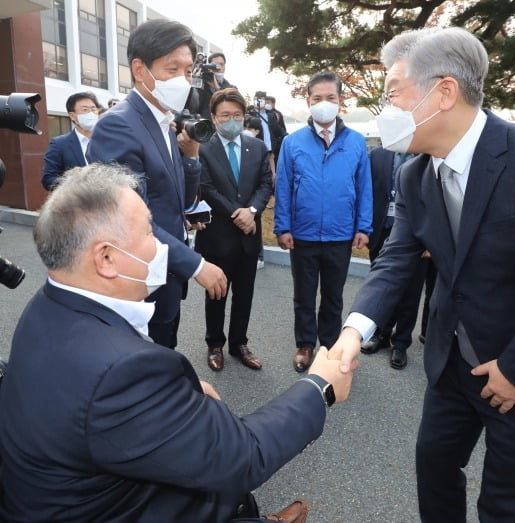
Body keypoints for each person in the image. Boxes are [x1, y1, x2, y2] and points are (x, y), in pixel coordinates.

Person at [328, 27, 515, 522]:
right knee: (435, 472)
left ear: (444, 91)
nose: (387, 108)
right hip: (453, 366)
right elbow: (397, 259)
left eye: (393, 91)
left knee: (511, 507)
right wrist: (352, 333)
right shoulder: (414, 173)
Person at [0, 164, 355, 523]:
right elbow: (243, 456)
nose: (162, 244)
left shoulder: (49, 304)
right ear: (106, 258)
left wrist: (165, 398)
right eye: (149, 231)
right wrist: (320, 386)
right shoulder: (121, 371)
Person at [87, 19, 227, 349]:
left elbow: (174, 195)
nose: (182, 79)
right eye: (171, 68)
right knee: (142, 366)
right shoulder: (118, 127)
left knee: (165, 348)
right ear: (140, 69)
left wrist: (191, 158)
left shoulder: (163, 122)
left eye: (187, 70)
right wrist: (196, 264)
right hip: (138, 280)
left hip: (166, 274)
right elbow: (129, 222)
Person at [274, 71, 373, 372]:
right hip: (302, 234)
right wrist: (283, 227)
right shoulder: (293, 143)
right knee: (303, 295)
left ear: (341, 101)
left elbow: (364, 187)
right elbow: (284, 187)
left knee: (333, 296)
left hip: (340, 234)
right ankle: (305, 344)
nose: (324, 103)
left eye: (331, 97)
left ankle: (329, 346)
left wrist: (363, 227)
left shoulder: (356, 142)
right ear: (308, 101)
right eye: (317, 98)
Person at [195, 88, 272, 372]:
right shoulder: (203, 147)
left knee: (245, 293)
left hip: (248, 235)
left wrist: (251, 211)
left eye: (237, 115)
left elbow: (266, 184)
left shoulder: (257, 147)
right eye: (225, 115)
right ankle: (214, 344)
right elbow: (206, 187)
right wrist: (234, 212)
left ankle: (239, 343)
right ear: (214, 118)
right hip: (217, 237)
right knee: (216, 292)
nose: (232, 120)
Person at [363, 146, 436, 369]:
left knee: (411, 292)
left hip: (417, 236)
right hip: (382, 229)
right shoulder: (377, 154)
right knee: (383, 286)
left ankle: (401, 342)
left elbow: (438, 201)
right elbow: (367, 191)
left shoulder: (430, 157)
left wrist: (431, 240)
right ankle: (381, 334)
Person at [41, 91, 100, 190]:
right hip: (77, 202)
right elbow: (48, 179)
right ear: (72, 116)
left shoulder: (108, 141)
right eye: (85, 109)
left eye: (94, 109)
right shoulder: (59, 144)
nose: (91, 113)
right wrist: (73, 181)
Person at [249, 92, 286, 177]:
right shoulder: (250, 114)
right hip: (256, 149)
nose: (259, 101)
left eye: (261, 99)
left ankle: (273, 179)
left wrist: (287, 136)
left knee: (273, 175)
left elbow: (278, 130)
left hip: (270, 151)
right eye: (256, 99)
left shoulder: (271, 115)